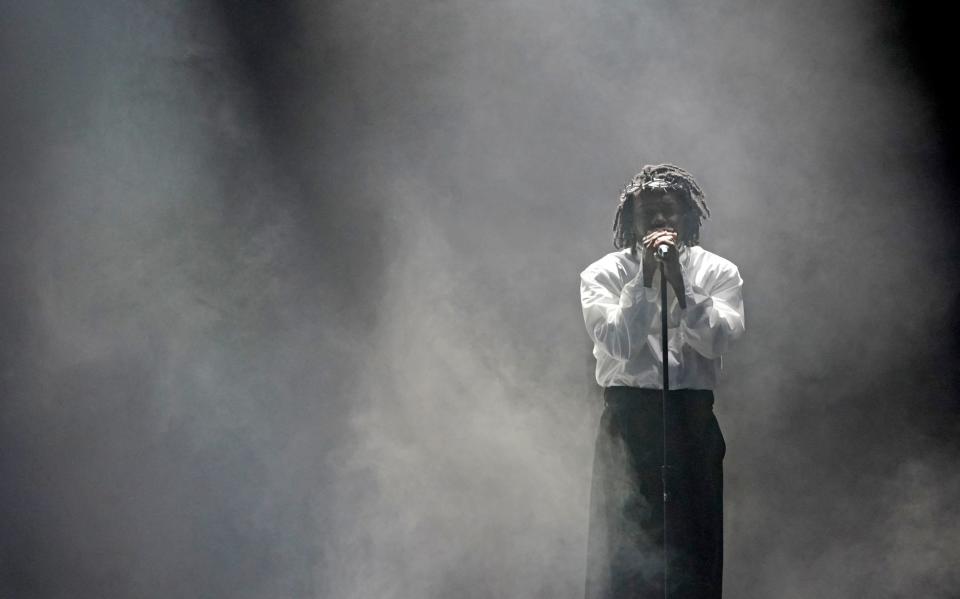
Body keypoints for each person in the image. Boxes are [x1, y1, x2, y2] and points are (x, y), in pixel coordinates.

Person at [580, 164, 745, 599]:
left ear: (687, 217)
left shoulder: (719, 272)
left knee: (697, 534)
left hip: (690, 414)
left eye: (667, 211)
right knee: (624, 536)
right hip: (630, 418)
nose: (657, 222)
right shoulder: (602, 275)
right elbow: (618, 342)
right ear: (630, 221)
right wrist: (645, 281)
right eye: (647, 213)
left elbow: (718, 341)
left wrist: (683, 288)